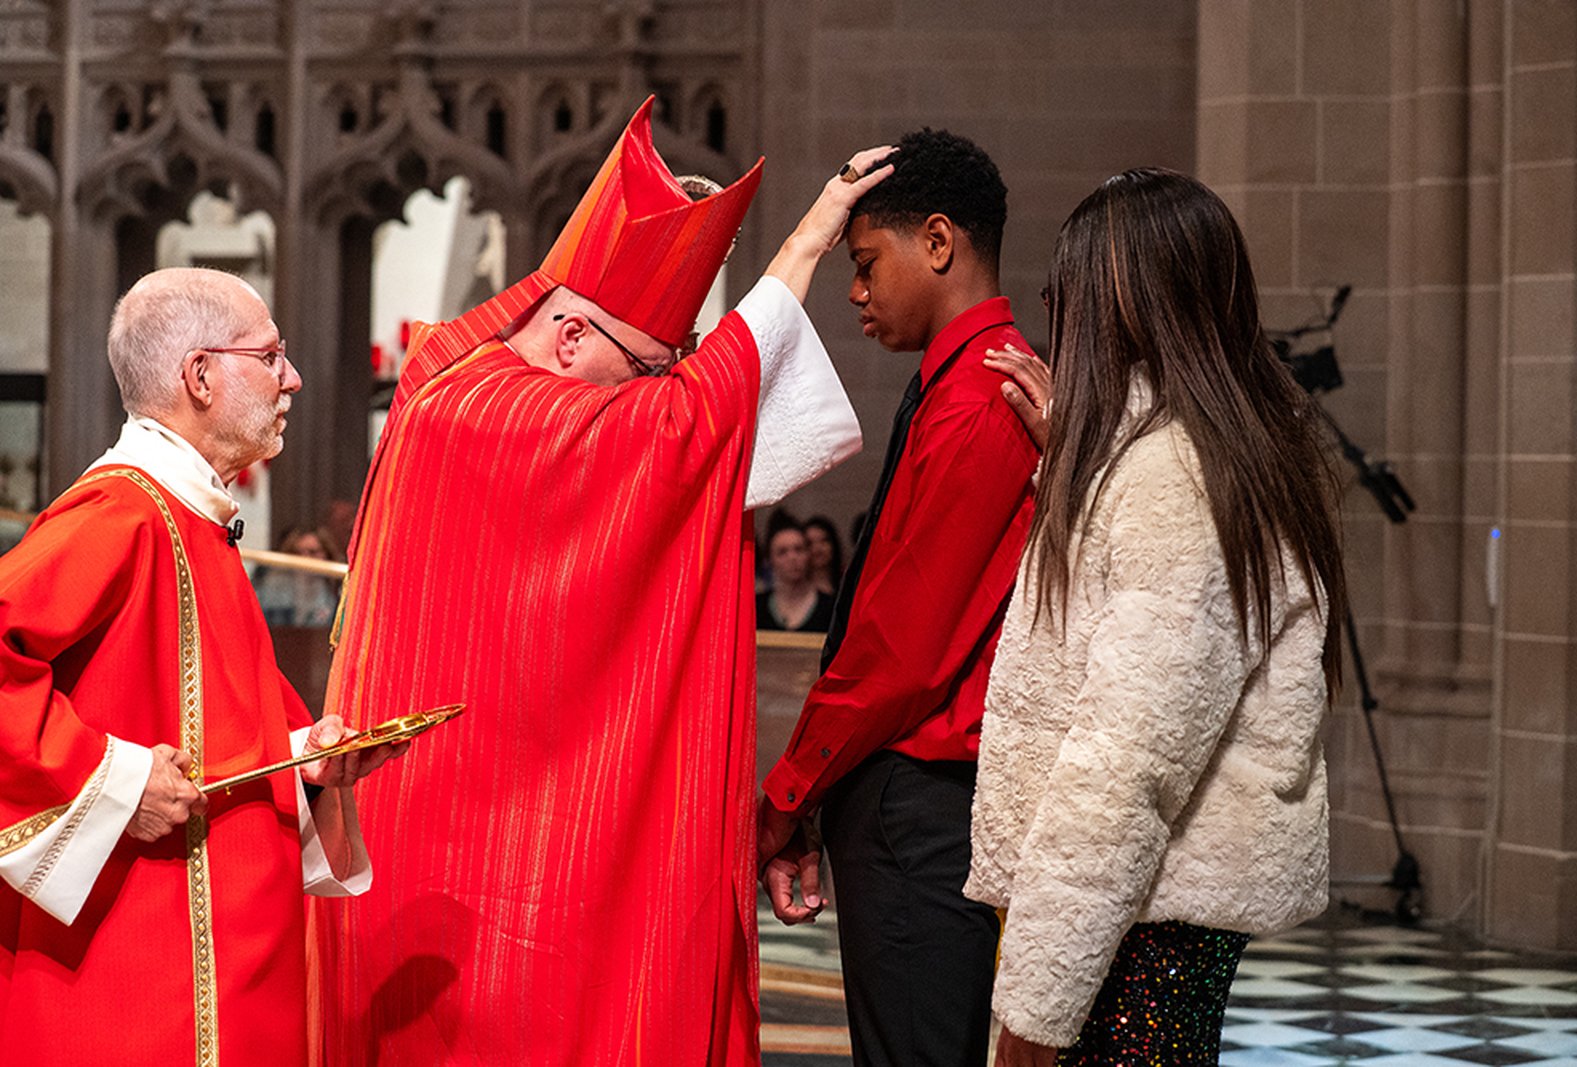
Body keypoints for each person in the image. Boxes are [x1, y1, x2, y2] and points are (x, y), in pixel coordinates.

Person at [314, 98, 884, 1066]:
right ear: (572, 335)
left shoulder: (445, 378)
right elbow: (685, 425)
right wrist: (805, 240)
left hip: (439, 803)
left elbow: (671, 400)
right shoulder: (499, 410)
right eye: (648, 364)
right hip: (472, 814)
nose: (656, 384)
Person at [967, 169, 1348, 1066]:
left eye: (1071, 301)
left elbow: (1124, 772)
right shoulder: (1201, 461)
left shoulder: (1175, 483)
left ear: (1123, 311)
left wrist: (1032, 1014)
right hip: (1135, 932)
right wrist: (1079, 463)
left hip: (1128, 941)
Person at [0, 267, 405, 1067]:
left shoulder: (192, 518)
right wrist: (109, 778)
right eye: (272, 355)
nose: (291, 377)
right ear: (200, 375)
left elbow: (214, 733)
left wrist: (310, 759)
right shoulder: (123, 511)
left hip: (223, 962)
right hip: (138, 980)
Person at [757, 128, 1041, 1067]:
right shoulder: (955, 384)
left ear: (938, 240)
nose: (855, 290)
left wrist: (791, 790)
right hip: (905, 791)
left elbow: (900, 643)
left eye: (868, 261)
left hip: (922, 798)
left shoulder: (980, 400)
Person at [757, 510, 835, 632]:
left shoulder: (831, 607)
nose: (792, 558)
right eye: (782, 552)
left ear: (809, 554)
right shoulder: (755, 607)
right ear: (769, 560)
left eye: (799, 549)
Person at [254, 525, 341, 627]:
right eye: (298, 553)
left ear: (327, 555)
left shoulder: (337, 592)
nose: (305, 558)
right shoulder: (272, 590)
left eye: (313, 552)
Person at [802, 513, 843, 594]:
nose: (818, 548)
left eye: (824, 540)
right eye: (809, 543)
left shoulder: (849, 583)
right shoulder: (797, 590)